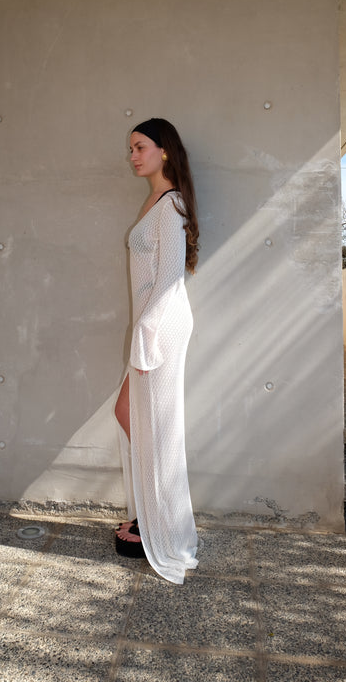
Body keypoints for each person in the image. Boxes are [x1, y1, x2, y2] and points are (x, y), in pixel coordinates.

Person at [114, 117, 199, 585]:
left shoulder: (172, 204)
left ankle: (163, 527)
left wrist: (146, 334)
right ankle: (151, 513)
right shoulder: (154, 200)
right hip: (151, 325)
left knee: (159, 429)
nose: (133, 155)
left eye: (140, 146)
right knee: (129, 414)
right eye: (131, 148)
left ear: (164, 150)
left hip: (161, 327)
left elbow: (169, 279)